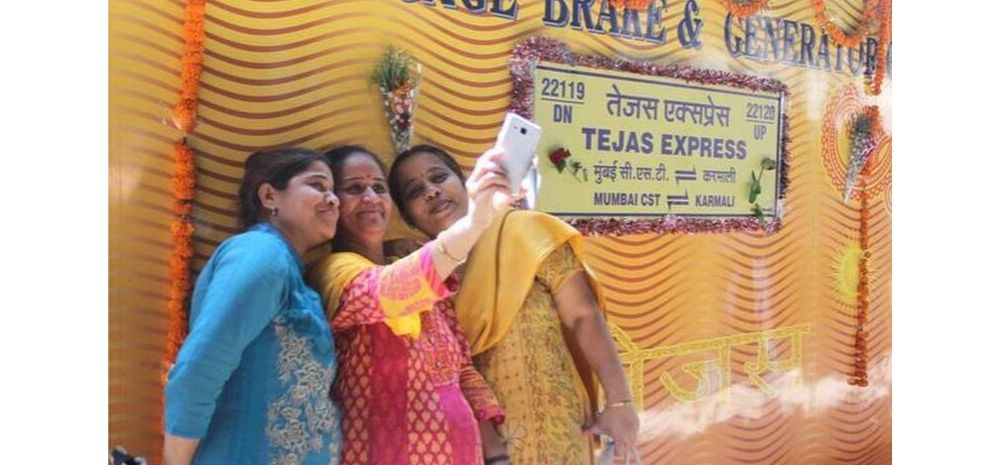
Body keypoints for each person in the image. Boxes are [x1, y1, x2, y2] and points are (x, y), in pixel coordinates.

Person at [388, 145, 641, 465]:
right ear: (408, 218)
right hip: (477, 445)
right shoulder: (419, 277)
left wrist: (620, 402)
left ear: (464, 182)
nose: (431, 191)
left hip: (557, 431)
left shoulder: (524, 230)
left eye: (439, 177)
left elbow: (583, 315)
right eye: (415, 191)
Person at [307, 145, 511, 465]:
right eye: (354, 188)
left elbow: (462, 369)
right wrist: (474, 222)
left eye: (379, 188)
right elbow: (391, 290)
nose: (371, 197)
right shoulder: (333, 272)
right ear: (332, 201)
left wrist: (496, 456)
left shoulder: (409, 264)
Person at [163, 148, 343, 465]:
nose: (333, 200)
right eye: (317, 185)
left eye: (333, 190)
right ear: (269, 196)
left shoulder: (287, 267)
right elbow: (199, 369)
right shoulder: (261, 253)